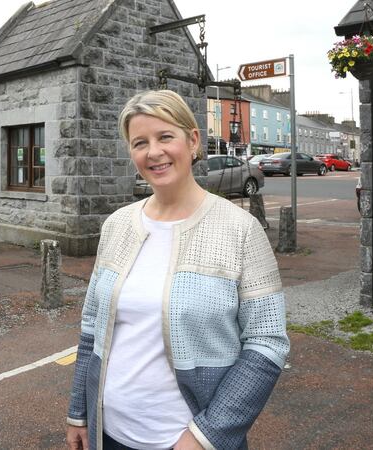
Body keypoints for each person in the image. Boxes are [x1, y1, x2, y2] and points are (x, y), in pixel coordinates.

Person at [65, 90, 289, 450]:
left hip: (191, 441)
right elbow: (92, 328)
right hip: (109, 433)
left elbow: (267, 342)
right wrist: (79, 410)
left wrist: (206, 437)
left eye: (165, 136)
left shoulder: (240, 229)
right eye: (140, 142)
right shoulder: (117, 225)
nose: (153, 152)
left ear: (193, 140)